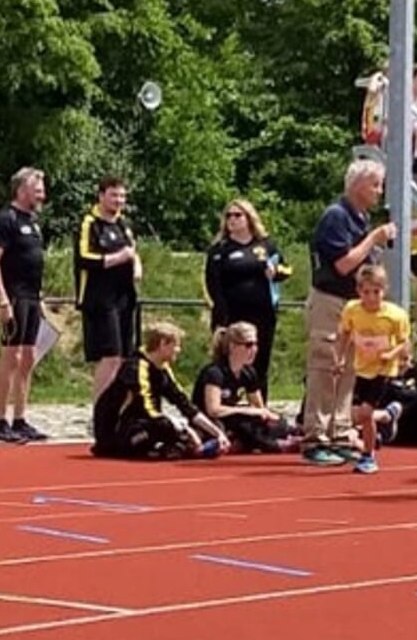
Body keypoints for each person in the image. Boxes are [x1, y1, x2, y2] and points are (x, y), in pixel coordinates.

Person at [303, 159, 397, 466]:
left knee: (349, 369)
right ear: (357, 185)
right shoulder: (337, 216)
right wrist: (373, 239)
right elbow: (343, 263)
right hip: (331, 300)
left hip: (354, 305)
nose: (379, 191)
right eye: (375, 184)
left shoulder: (360, 217)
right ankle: (316, 436)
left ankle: (340, 431)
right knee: (326, 365)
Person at [90, 322, 228, 460]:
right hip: (121, 431)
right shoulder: (136, 368)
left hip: (149, 423)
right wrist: (184, 429)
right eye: (176, 345)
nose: (178, 350)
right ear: (163, 344)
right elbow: (146, 408)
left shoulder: (163, 368)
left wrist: (217, 433)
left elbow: (183, 402)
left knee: (210, 427)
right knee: (165, 426)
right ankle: (168, 448)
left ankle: (176, 448)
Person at [0, 166, 48, 445]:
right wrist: (2, 300)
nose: (42, 194)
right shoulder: (6, 218)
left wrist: (41, 297)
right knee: (11, 357)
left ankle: (20, 419)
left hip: (33, 297)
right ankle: (0, 421)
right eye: (37, 189)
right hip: (14, 297)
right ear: (21, 189)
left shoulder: (33, 221)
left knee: (29, 357)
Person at [204, 199, 289, 399]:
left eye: (237, 215)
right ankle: (225, 402)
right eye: (228, 216)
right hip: (231, 314)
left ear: (249, 218)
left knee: (259, 362)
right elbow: (211, 284)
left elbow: (286, 268)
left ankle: (260, 407)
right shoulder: (219, 249)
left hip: (262, 314)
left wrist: (276, 272)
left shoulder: (265, 245)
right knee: (227, 361)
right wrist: (220, 316)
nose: (232, 220)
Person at [335, 265, 414, 476]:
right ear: (358, 291)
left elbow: (405, 342)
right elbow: (344, 334)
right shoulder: (352, 310)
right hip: (362, 368)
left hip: (383, 369)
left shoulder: (395, 315)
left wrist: (392, 354)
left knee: (365, 413)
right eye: (366, 292)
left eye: (376, 292)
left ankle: (368, 457)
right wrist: (339, 358)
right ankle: (388, 414)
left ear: (384, 290)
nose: (371, 298)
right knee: (357, 415)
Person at [75, 177, 140, 404]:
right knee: (110, 356)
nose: (118, 201)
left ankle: (120, 409)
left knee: (125, 357)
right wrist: (117, 258)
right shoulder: (89, 223)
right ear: (101, 196)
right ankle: (100, 411)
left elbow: (133, 250)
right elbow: (83, 257)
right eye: (114, 195)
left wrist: (136, 266)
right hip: (100, 298)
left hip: (124, 297)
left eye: (122, 196)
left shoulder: (123, 224)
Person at [195, 323, 295, 454]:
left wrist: (269, 416)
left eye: (255, 344)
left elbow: (259, 407)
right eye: (248, 345)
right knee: (242, 423)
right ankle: (274, 445)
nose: (254, 349)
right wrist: (246, 410)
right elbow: (213, 410)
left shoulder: (248, 372)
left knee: (273, 422)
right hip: (215, 421)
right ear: (233, 346)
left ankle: (289, 434)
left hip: (235, 417)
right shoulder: (215, 372)